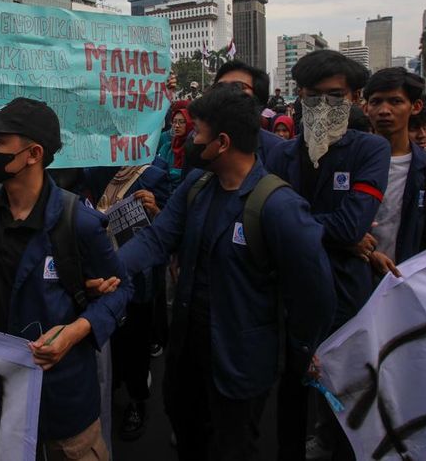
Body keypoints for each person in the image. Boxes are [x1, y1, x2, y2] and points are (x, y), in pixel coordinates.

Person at [114, 84, 335, 460]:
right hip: (187, 357)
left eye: (198, 132)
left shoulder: (279, 207)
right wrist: (109, 270)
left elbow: (315, 294)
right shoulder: (197, 187)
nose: (191, 139)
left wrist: (300, 351)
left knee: (231, 448)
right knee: (187, 436)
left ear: (221, 142)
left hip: (239, 365)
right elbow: (156, 240)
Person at [0, 97, 133, 460]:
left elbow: (121, 291)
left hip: (63, 399)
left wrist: (76, 331)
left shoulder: (78, 221)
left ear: (33, 154)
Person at [265, 49, 390, 460]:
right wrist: (327, 229)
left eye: (335, 96)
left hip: (343, 299)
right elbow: (270, 224)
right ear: (298, 95)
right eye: (312, 95)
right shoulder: (280, 154)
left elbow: (352, 225)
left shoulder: (369, 151)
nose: (323, 106)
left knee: (344, 395)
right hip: (286, 296)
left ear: (354, 97)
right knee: (290, 392)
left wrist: (298, 224)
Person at [90, 163, 169, 441]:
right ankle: (111, 388)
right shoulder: (94, 169)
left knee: (136, 341)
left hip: (138, 276)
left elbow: (166, 230)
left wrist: (154, 210)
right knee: (110, 338)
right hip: (102, 269)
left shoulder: (153, 174)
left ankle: (137, 401)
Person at [361, 68, 426, 278]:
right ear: (365, 108)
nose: (384, 110)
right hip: (355, 283)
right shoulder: (346, 164)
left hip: (409, 283)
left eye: (395, 101)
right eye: (376, 101)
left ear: (415, 107)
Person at [211, 60, 283, 160]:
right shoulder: (198, 142)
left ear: (259, 96)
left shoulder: (279, 150)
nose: (225, 92)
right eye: (219, 87)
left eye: (237, 86)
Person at [156, 101, 193, 190]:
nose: (176, 125)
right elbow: (158, 170)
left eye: (181, 122)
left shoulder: (194, 149)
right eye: (174, 122)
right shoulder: (167, 147)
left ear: (189, 124)